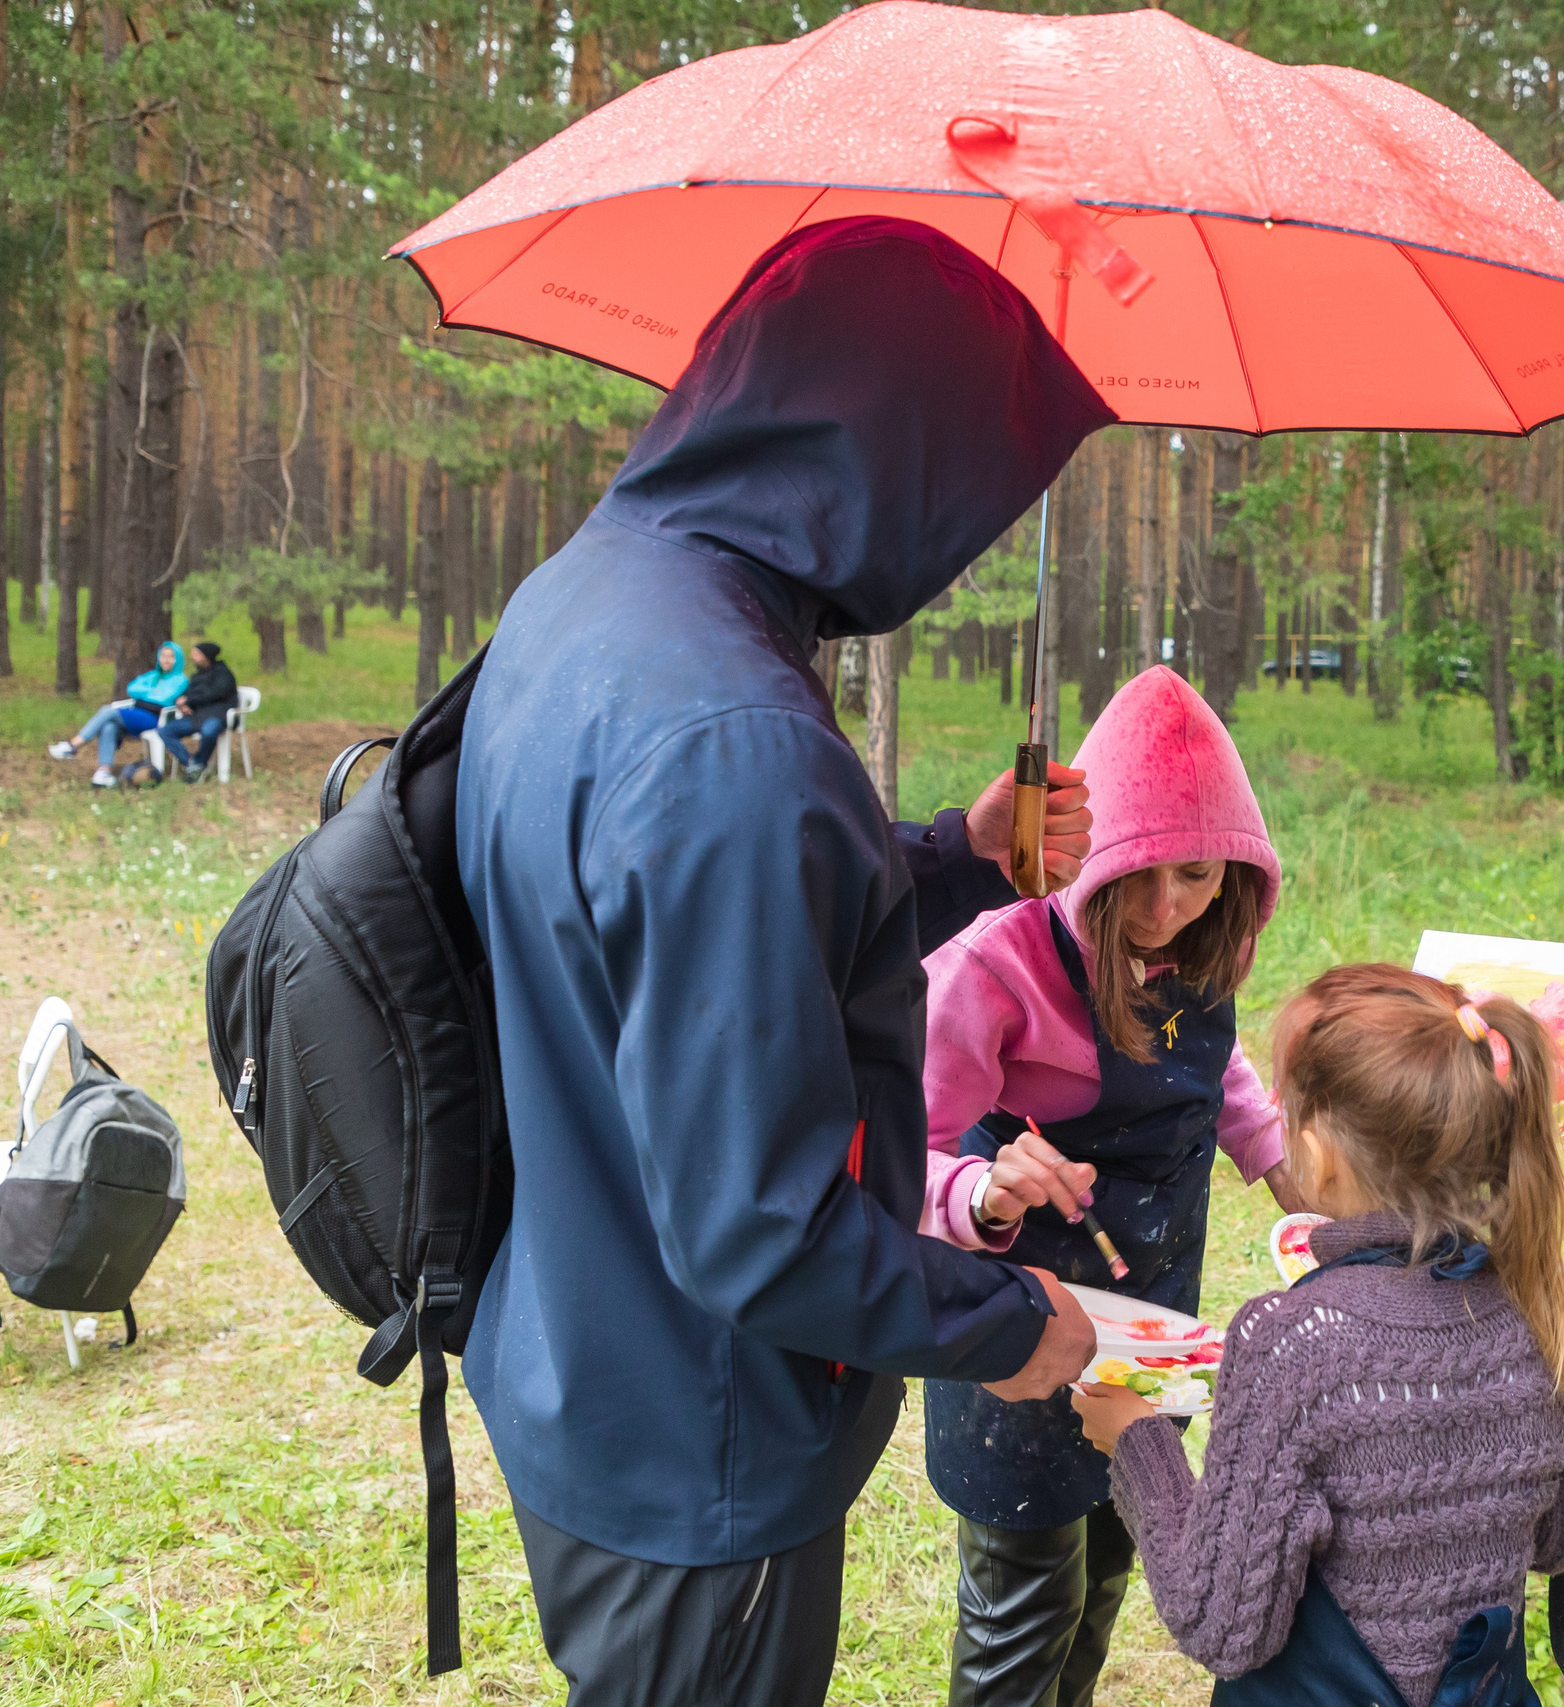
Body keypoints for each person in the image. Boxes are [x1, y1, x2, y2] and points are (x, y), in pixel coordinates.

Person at [452, 216, 1116, 1707]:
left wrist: (955, 847)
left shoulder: (597, 596)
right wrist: (1007, 1322)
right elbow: (761, 1230)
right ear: (885, 457)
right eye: (966, 482)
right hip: (699, 1432)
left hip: (577, 1337)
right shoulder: (737, 736)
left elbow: (709, 925)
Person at [1070, 965, 1564, 1707]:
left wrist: (1138, 1441)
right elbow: (1561, 1539)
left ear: (1319, 1148)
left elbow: (1222, 1625)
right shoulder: (1556, 1302)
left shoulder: (1297, 1345)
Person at [916, 663, 1302, 1707]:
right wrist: (981, 1187)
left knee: (1118, 1554)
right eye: (1139, 876)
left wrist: (1279, 1164)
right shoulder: (994, 963)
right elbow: (890, 1152)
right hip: (1017, 1326)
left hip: (1153, 1306)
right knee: (1023, 1606)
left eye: (1198, 877)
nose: (1164, 911)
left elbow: (1210, 1066)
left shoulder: (1199, 945)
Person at [47, 641, 190, 787]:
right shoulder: (153, 675)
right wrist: (153, 691)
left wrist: (148, 692)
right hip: (135, 713)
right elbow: (132, 688)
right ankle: (104, 771)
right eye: (163, 655)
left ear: (177, 660)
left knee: (107, 710)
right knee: (109, 725)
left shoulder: (180, 679)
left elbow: (165, 698)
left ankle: (72, 746)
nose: (166, 660)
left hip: (155, 718)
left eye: (171, 657)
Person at [155, 641, 239, 781]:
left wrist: (189, 701)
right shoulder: (197, 676)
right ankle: (192, 764)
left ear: (206, 656)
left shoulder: (223, 674)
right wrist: (184, 705)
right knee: (165, 730)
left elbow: (215, 693)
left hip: (217, 716)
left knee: (209, 731)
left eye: (196, 653)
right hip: (196, 717)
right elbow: (190, 696)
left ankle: (200, 762)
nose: (192, 656)